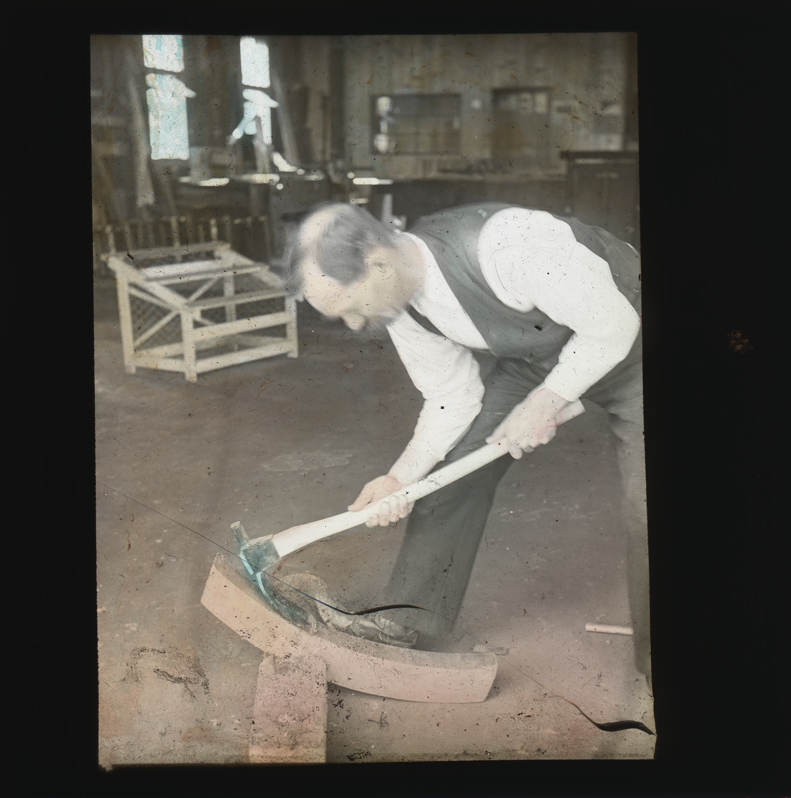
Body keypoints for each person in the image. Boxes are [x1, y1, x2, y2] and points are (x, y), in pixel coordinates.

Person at [283, 200, 650, 685]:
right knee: (450, 476)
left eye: (351, 310)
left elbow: (613, 327)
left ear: (377, 263)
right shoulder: (401, 306)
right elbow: (450, 398)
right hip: (540, 356)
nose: (355, 325)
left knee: (646, 503)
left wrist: (548, 400)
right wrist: (401, 477)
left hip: (633, 336)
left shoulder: (507, 247)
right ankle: (410, 623)